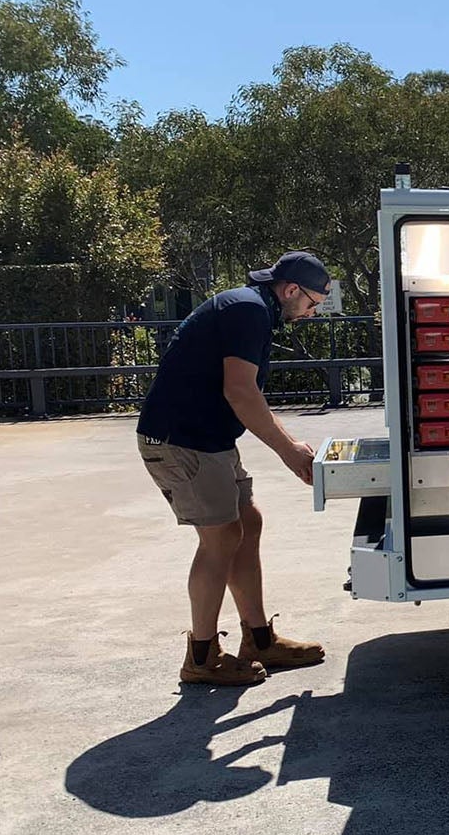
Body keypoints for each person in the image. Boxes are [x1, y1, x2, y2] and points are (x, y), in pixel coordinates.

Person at [136, 251, 335, 686]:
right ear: (290, 291)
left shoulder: (252, 308)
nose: (311, 312)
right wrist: (287, 452)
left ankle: (259, 640)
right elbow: (241, 393)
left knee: (248, 522)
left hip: (207, 440)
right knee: (221, 537)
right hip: (181, 442)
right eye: (312, 303)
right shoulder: (248, 311)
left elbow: (247, 398)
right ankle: (201, 658)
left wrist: (291, 443)